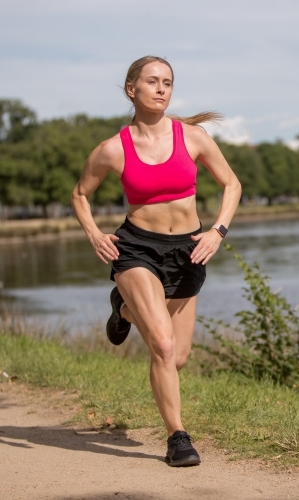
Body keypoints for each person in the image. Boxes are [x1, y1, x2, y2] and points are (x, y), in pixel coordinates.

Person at [71, 55, 242, 467]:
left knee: (179, 356)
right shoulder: (113, 149)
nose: (162, 88)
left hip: (188, 250)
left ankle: (123, 309)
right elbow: (80, 194)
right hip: (136, 249)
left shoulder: (193, 137)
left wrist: (217, 231)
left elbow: (232, 184)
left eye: (167, 81)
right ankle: (177, 438)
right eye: (152, 81)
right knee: (162, 346)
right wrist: (95, 233)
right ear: (133, 90)